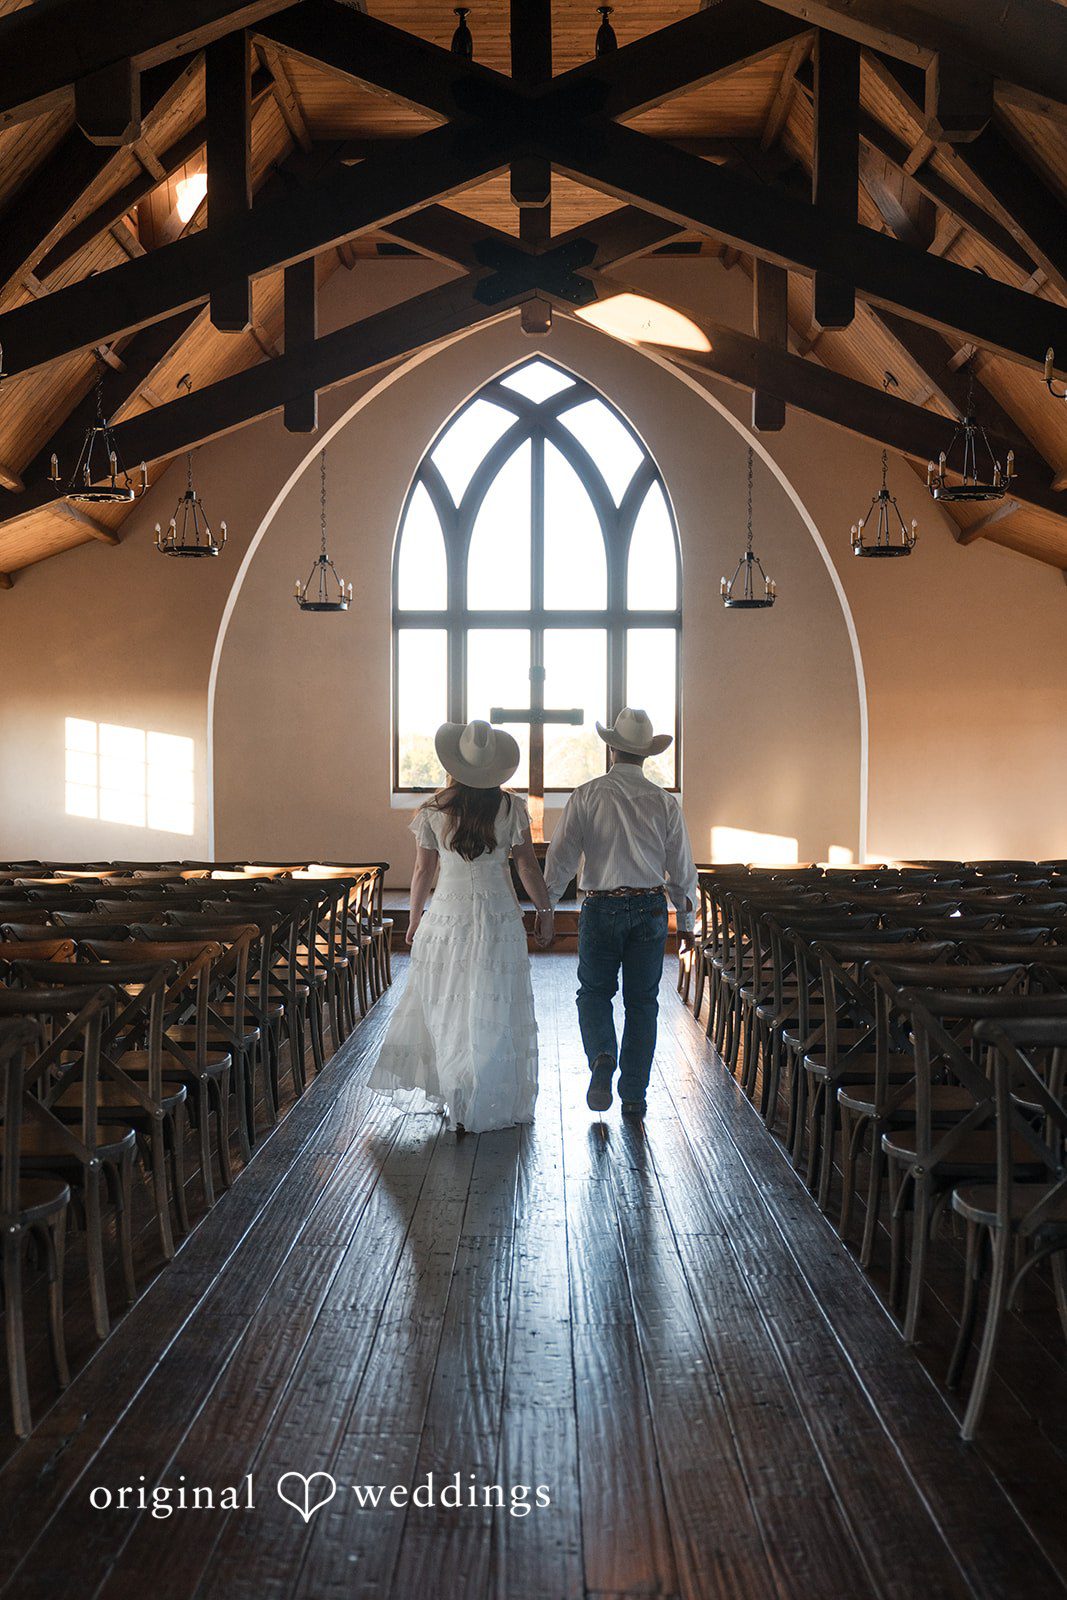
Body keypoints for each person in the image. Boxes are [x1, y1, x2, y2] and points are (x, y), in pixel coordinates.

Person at [368, 719, 553, 1134]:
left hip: (448, 918)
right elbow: (525, 864)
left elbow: (422, 869)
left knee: (448, 1005)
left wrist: (415, 918)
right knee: (492, 1004)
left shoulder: (434, 809)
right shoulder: (510, 807)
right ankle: (480, 1092)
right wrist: (544, 910)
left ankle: (457, 1091)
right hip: (498, 918)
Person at [544, 707, 697, 1120]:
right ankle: (633, 1095)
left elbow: (560, 858)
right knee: (643, 1002)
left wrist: (547, 908)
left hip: (599, 906)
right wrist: (686, 923)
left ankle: (602, 1055)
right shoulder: (664, 802)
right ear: (646, 754)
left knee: (594, 993)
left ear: (612, 747)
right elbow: (683, 869)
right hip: (649, 907)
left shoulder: (587, 794)